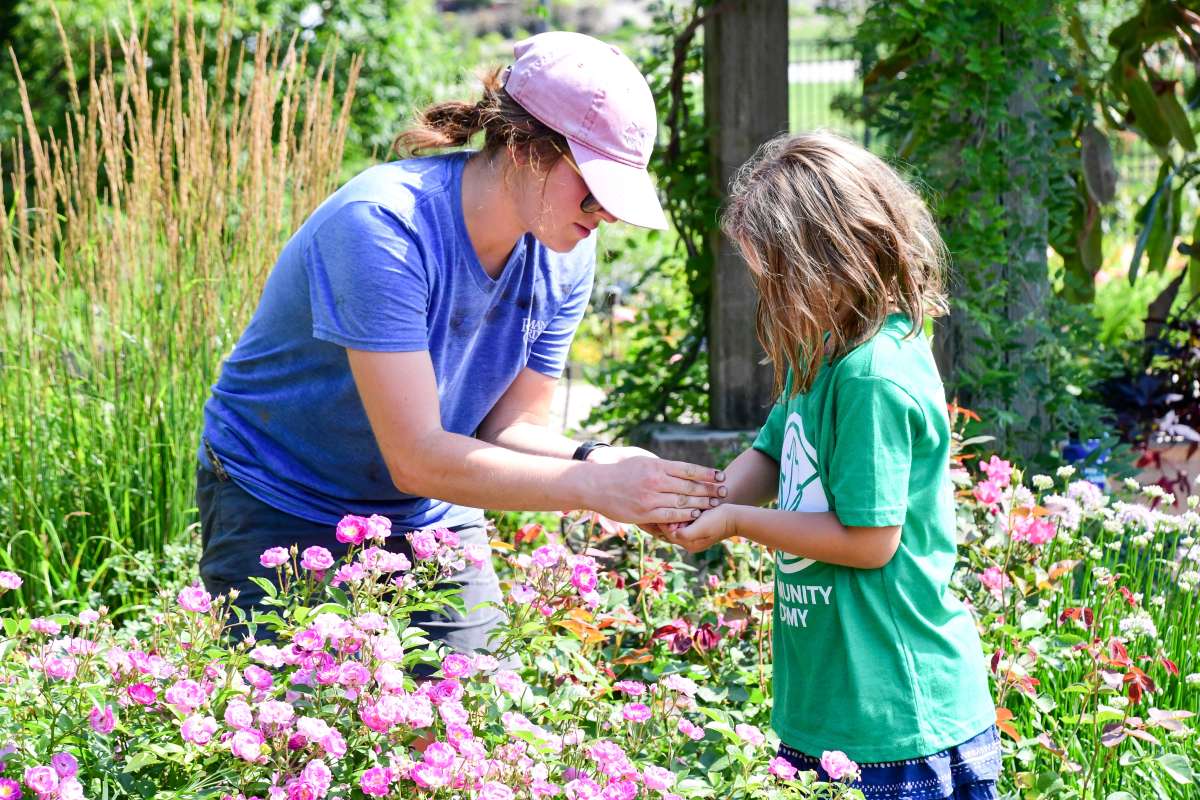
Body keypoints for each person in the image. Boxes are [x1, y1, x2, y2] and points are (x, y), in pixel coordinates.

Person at [195, 31, 727, 654]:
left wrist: (597, 461)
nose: (605, 214)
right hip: (284, 492)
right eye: (594, 188)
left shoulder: (566, 251)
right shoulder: (384, 228)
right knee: (283, 730)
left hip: (427, 504)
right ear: (526, 148)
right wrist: (591, 492)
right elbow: (415, 455)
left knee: (475, 718)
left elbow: (507, 429)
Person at [667, 132, 1000, 799]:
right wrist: (705, 496)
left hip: (897, 723)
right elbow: (772, 449)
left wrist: (733, 521)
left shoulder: (870, 375)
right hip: (828, 705)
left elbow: (869, 541)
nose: (767, 295)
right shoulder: (821, 351)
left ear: (833, 259)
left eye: (775, 277)